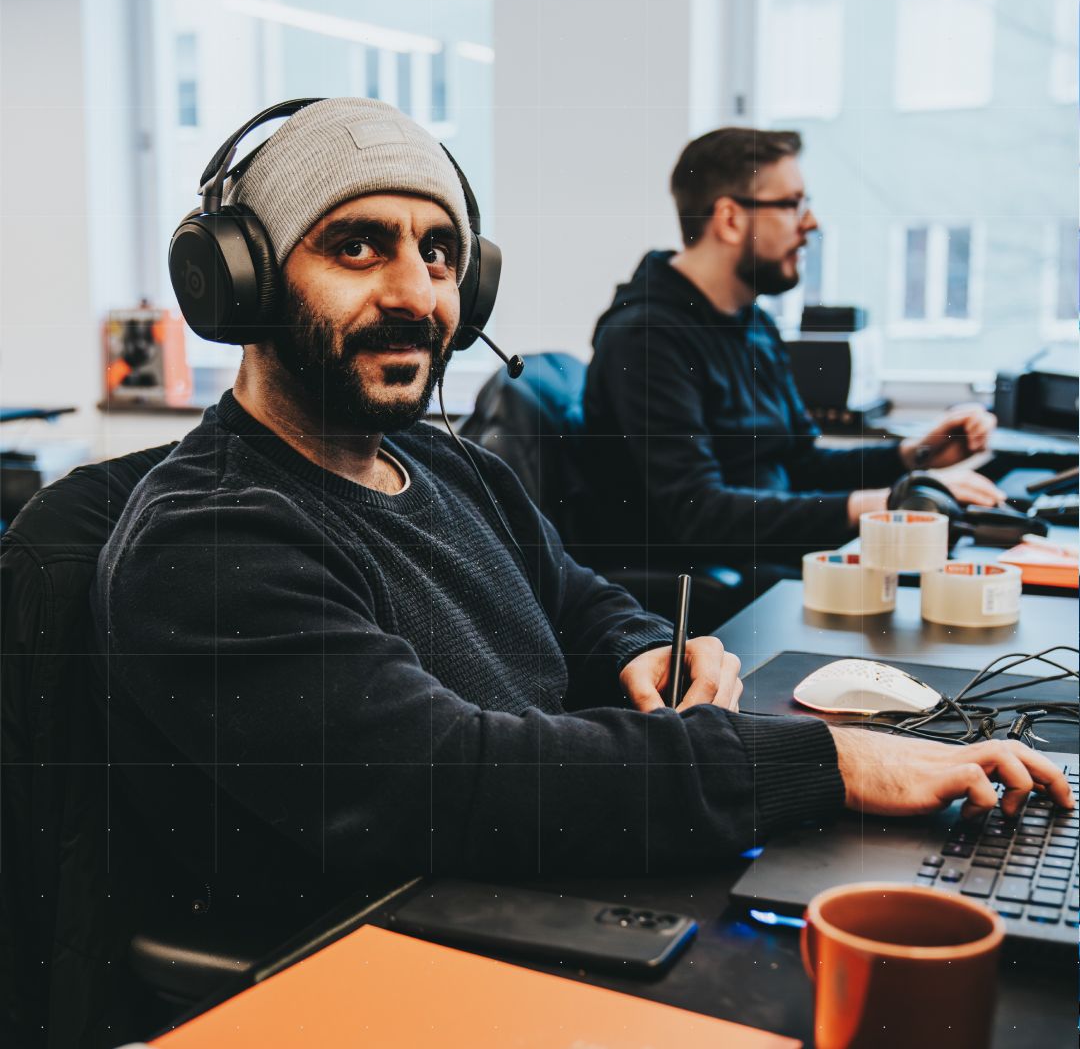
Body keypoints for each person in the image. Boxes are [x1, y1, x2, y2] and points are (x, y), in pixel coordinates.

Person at [93, 100, 1070, 938]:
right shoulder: (212, 540)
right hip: (391, 950)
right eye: (356, 246)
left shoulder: (447, 465)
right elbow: (452, 776)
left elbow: (580, 597)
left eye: (440, 255)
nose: (414, 294)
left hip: (539, 880)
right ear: (240, 279)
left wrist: (648, 646)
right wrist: (829, 759)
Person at [582, 127, 1003, 577]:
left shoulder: (753, 323)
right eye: (792, 204)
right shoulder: (645, 340)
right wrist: (885, 503)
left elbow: (799, 462)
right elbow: (699, 513)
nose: (811, 222)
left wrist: (914, 458)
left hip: (767, 561)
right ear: (729, 219)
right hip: (713, 583)